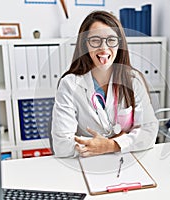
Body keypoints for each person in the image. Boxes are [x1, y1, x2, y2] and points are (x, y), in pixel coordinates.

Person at [51, 10, 158, 157]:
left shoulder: (133, 80)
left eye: (111, 40)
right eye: (95, 40)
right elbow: (62, 145)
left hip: (126, 162)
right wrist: (123, 141)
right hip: (86, 165)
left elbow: (149, 132)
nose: (104, 48)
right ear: (85, 44)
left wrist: (109, 145)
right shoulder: (69, 84)